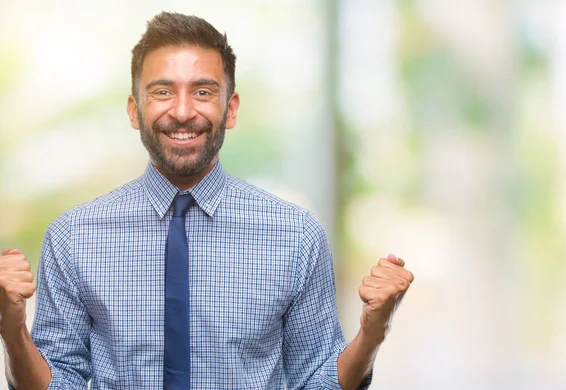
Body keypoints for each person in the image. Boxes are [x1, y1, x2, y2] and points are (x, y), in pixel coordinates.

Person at [0, 12, 414, 390]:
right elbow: (56, 383)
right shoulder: (73, 237)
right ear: (134, 110)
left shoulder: (296, 236)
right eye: (162, 91)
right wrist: (13, 330)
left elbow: (317, 379)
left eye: (202, 92)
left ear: (229, 109)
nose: (182, 111)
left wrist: (371, 334)